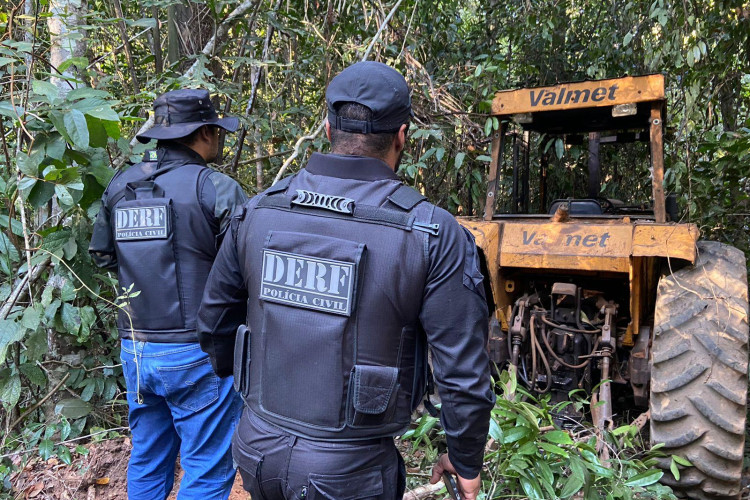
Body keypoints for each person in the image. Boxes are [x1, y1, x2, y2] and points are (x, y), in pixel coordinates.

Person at [197, 62, 495, 500]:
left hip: (257, 449)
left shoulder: (258, 211)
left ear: (326, 126)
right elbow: (462, 372)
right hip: (351, 470)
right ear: (402, 136)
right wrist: (465, 459)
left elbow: (214, 322)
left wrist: (261, 398)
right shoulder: (431, 232)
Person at [89, 89, 246, 500]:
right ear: (205, 133)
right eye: (217, 130)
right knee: (208, 466)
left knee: (148, 456)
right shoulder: (217, 188)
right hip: (198, 351)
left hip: (136, 348)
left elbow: (104, 258)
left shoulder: (121, 186)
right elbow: (247, 270)